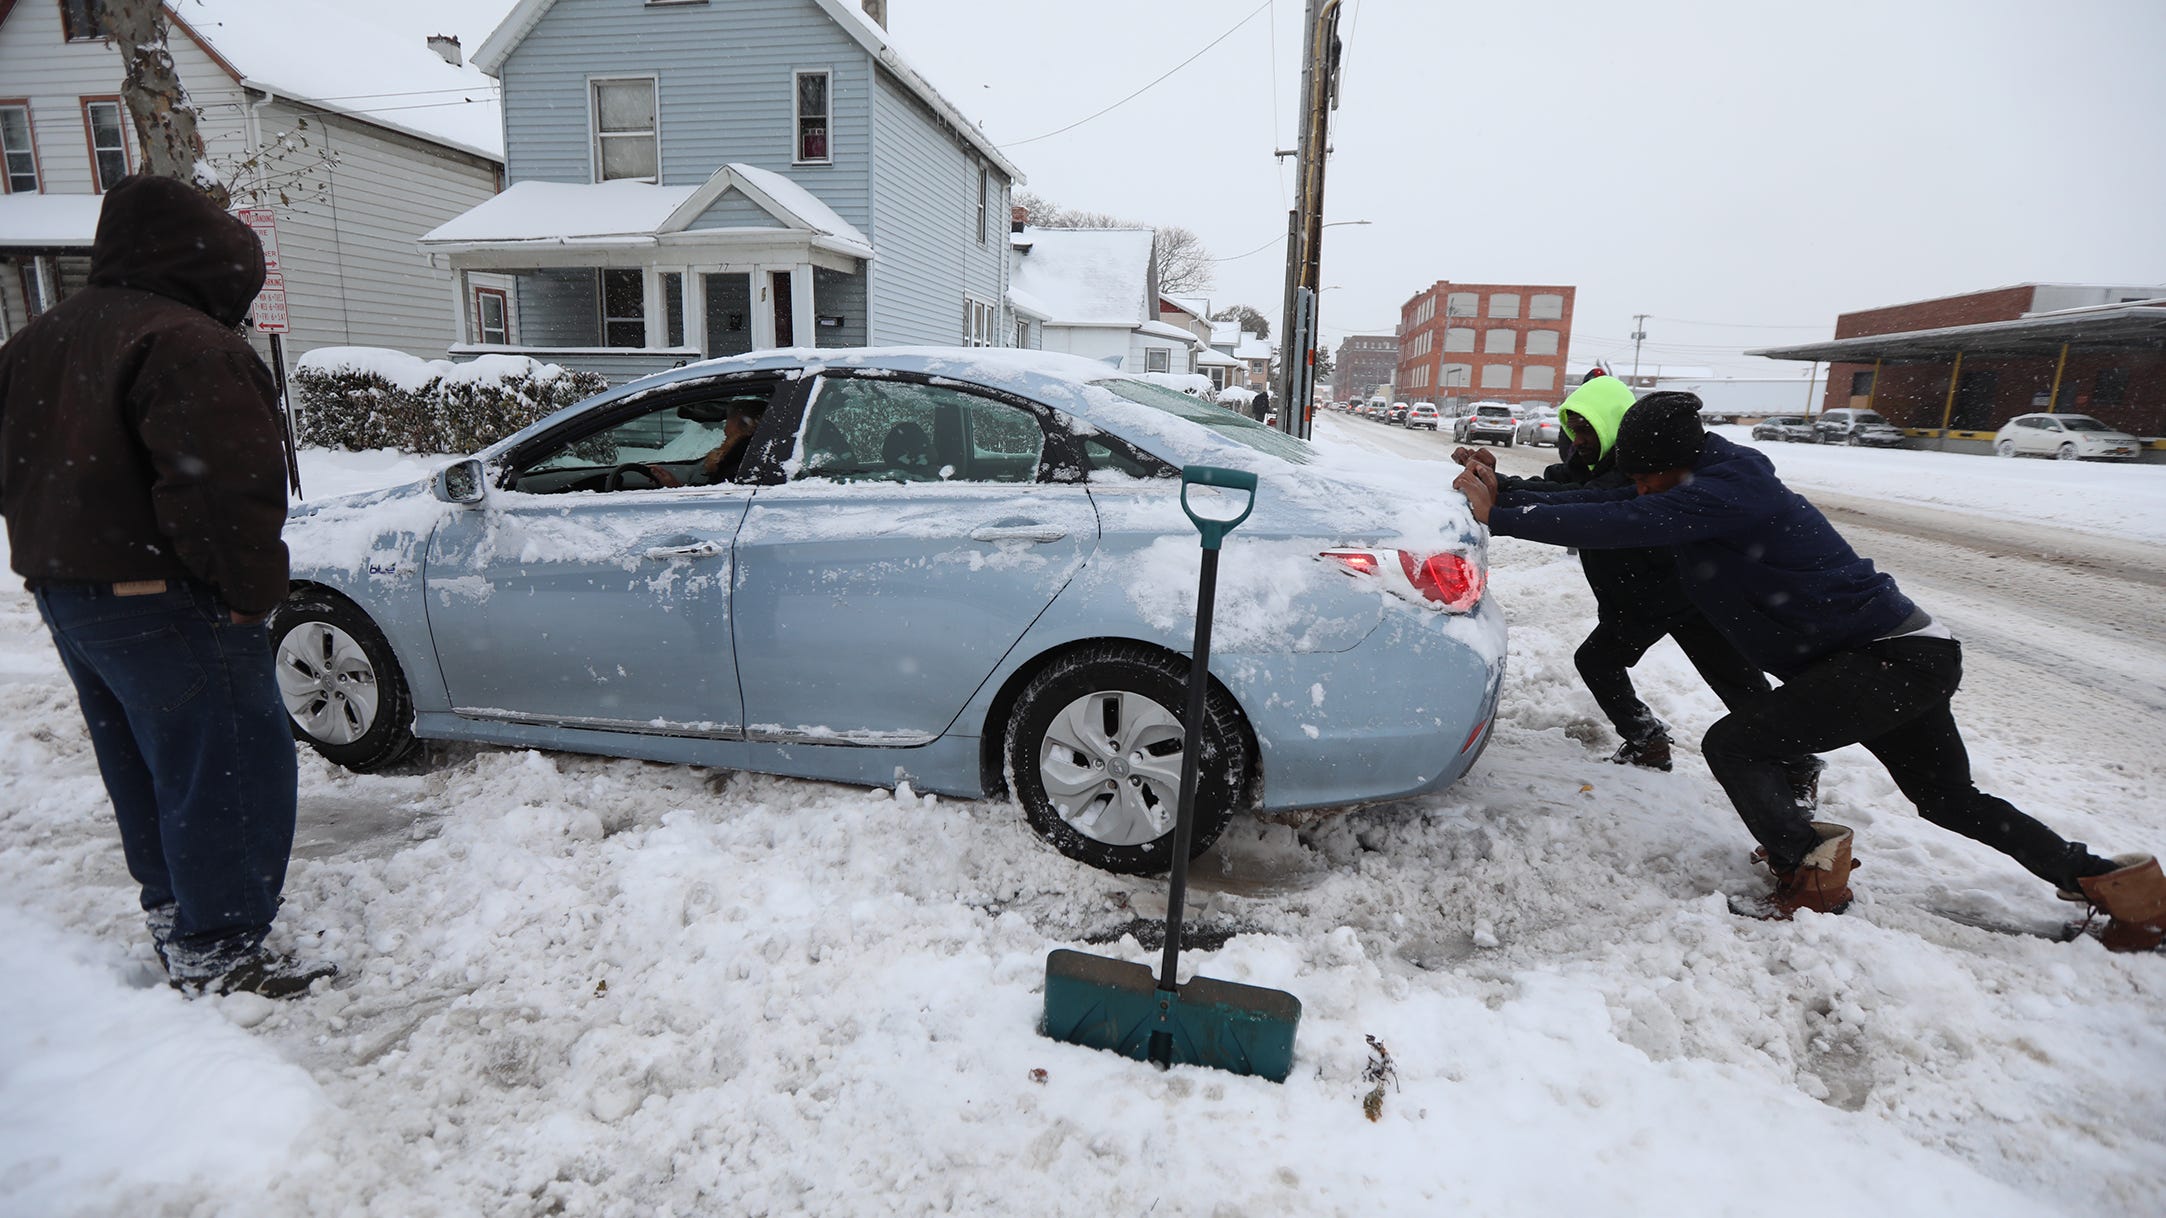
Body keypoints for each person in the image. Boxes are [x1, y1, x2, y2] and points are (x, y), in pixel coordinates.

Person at [1452, 392, 2164, 947]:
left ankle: (1810, 872)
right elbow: (1611, 497)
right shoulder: (1702, 474)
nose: (1640, 490)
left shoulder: (1724, 492)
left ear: (1680, 464)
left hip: (1889, 659)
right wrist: (1507, 490)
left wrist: (1502, 518)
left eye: (1649, 477)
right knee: (1947, 800)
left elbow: (1625, 521)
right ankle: (2120, 887)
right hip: (1908, 653)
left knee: (1734, 743)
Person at [0, 176, 336, 995]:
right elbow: (221, 492)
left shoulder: (37, 339)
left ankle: (175, 911)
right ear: (211, 264)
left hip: (68, 592)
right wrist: (248, 593)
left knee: (144, 761)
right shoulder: (186, 344)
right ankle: (222, 947)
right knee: (227, 764)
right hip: (166, 594)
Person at [1454, 374, 1819, 803]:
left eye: (1589, 427)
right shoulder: (1588, 467)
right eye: (1575, 428)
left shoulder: (1636, 470)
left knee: (1725, 682)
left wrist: (1501, 506)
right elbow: (1563, 488)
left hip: (1671, 595)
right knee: (1638, 667)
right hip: (1650, 597)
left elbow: (1591, 505)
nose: (1581, 438)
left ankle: (1786, 762)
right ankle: (1661, 742)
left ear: (1611, 423)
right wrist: (1501, 485)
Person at [643, 399, 765, 487]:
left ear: (748, 428)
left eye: (728, 422)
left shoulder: (739, 466)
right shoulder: (748, 457)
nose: (725, 429)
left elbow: (713, 507)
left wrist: (675, 488)